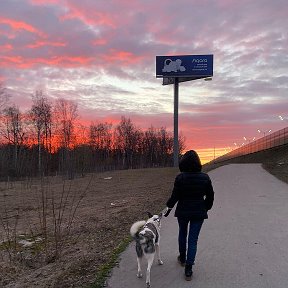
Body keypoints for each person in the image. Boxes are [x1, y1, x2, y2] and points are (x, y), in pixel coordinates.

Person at [163, 150, 214, 281]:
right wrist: (206, 207)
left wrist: (168, 207)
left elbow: (175, 196)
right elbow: (210, 196)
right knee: (193, 240)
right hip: (198, 212)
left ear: (183, 163)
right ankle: (189, 269)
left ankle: (182, 258)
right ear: (198, 162)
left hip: (183, 212)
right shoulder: (205, 178)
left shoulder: (180, 178)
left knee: (182, 234)